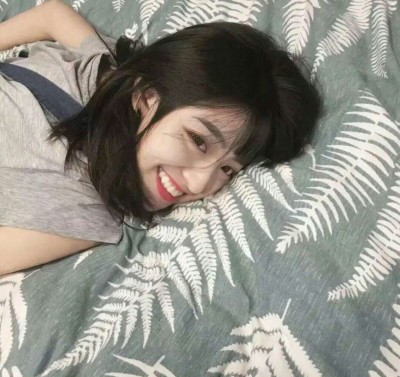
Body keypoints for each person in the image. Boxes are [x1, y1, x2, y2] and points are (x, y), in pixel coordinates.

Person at [0, 0, 322, 275]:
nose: (200, 184)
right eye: (198, 141)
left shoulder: (82, 211)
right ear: (146, 96)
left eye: (227, 169)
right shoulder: (112, 67)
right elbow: (53, 14)